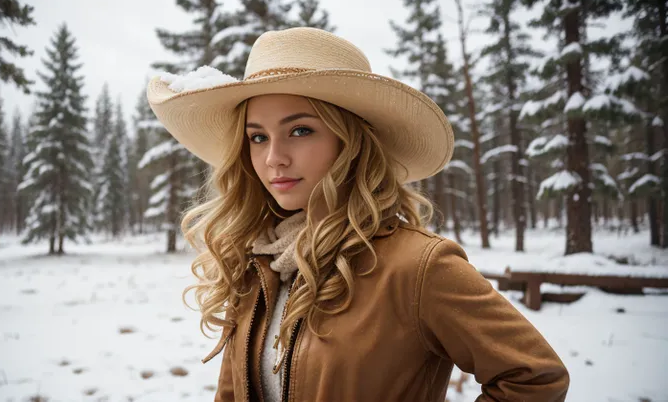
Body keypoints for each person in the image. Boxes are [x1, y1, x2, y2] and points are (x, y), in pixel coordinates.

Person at [146, 27, 569, 402]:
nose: (273, 158)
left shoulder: (418, 267)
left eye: (300, 130)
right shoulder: (256, 263)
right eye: (257, 137)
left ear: (350, 142)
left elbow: (534, 378)